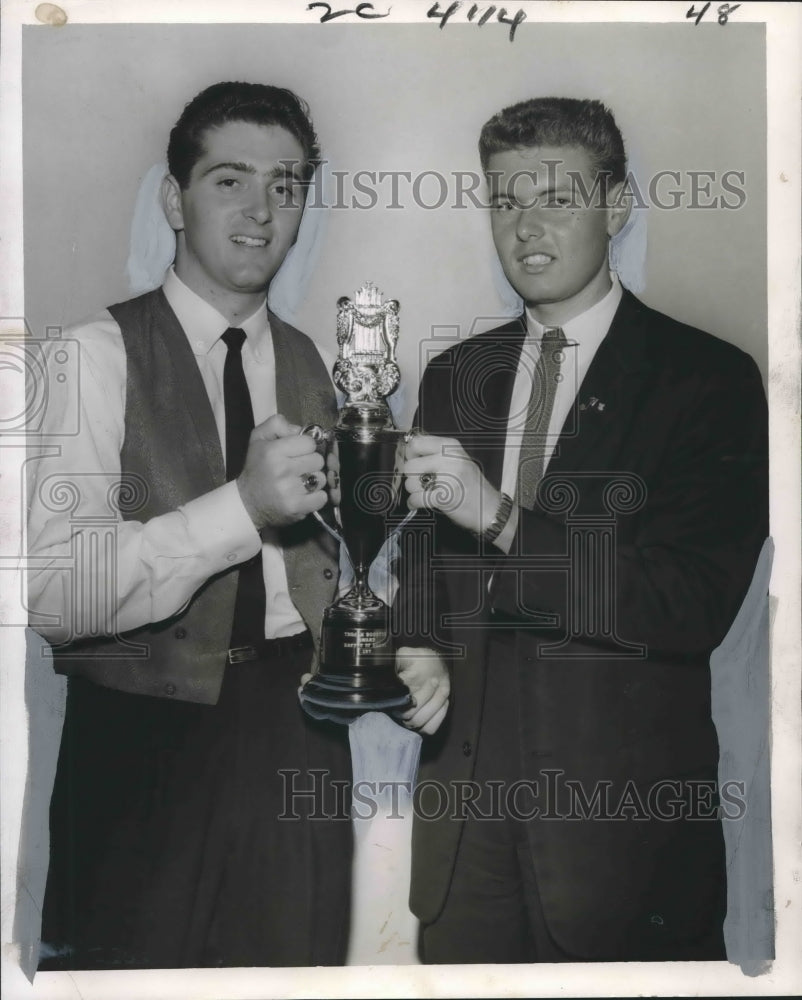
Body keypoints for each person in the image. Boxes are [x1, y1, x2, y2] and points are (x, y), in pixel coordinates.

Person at [396, 97, 768, 963]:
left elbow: (687, 604)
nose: (525, 226)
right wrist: (418, 642)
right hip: (464, 840)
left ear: (618, 205)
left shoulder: (707, 380)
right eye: (504, 199)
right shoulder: (454, 377)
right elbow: (423, 557)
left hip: (624, 850)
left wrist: (495, 516)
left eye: (556, 199)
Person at [27, 81, 355, 970]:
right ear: (174, 199)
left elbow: (337, 566)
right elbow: (57, 593)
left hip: (300, 734)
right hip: (140, 745)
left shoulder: (321, 365)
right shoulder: (88, 357)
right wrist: (240, 508)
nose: (261, 210)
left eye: (285, 185)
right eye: (229, 180)